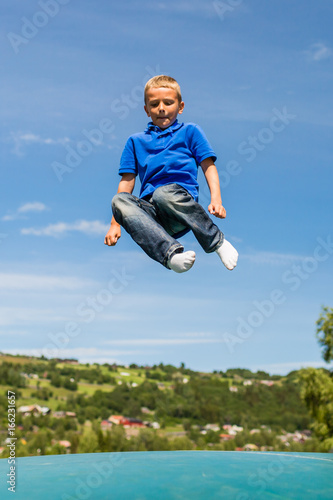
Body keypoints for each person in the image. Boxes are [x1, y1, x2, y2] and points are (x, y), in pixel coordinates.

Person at [104, 75, 238, 273]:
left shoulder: (190, 131)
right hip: (153, 215)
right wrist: (115, 223)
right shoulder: (135, 141)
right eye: (154, 104)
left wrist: (216, 199)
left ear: (180, 106)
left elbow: (208, 166)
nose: (161, 108)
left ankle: (217, 242)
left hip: (179, 206)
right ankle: (171, 256)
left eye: (168, 102)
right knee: (119, 200)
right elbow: (127, 182)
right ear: (146, 110)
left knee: (163, 193)